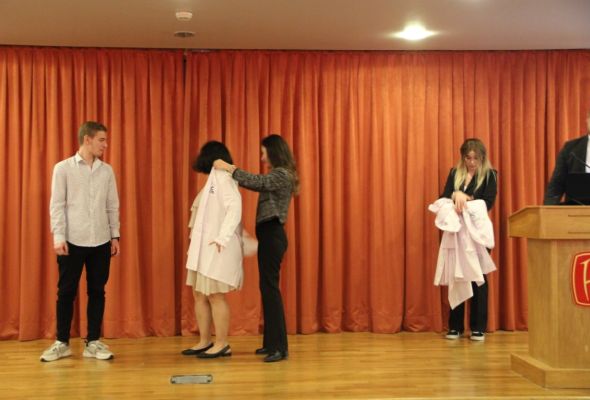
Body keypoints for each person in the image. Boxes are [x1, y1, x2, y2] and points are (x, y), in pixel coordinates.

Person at [214, 134, 299, 363]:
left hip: (273, 236)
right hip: (269, 236)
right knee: (267, 289)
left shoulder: (282, 174)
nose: (262, 158)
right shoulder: (279, 174)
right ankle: (271, 343)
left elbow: (258, 182)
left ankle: (279, 347)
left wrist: (230, 169)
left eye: (263, 153)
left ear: (273, 152)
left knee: (271, 290)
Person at [41, 121, 120, 362]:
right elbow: (57, 205)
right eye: (101, 140)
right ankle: (62, 342)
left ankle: (93, 342)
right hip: (72, 241)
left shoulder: (107, 171)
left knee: (97, 291)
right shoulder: (63, 169)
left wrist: (115, 235)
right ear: (87, 139)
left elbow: (112, 205)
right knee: (66, 292)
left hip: (101, 241)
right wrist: (58, 236)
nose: (105, 145)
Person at [183, 141, 243, 359]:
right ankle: (204, 340)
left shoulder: (223, 178)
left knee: (215, 295)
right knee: (199, 294)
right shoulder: (212, 179)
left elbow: (234, 208)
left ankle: (222, 343)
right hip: (202, 249)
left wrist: (222, 237)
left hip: (215, 248)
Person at [440, 138, 497, 342]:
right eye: (468, 158)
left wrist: (465, 198)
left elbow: (487, 202)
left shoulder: (490, 175)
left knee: (478, 278)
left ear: (482, 158)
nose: (472, 162)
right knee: (457, 276)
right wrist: (455, 194)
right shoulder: (454, 173)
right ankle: (455, 326)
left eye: (476, 158)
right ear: (462, 157)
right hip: (457, 233)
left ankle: (478, 327)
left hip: (478, 234)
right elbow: (444, 197)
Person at [544, 109, 590, 205]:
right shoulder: (571, 148)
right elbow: (557, 184)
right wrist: (548, 209)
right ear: (587, 120)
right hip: (576, 210)